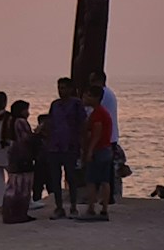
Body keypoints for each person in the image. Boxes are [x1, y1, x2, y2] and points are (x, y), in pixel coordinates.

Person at [43, 78, 86, 219]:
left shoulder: (76, 104)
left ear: (70, 89)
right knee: (55, 178)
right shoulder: (55, 105)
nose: (61, 91)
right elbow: (50, 123)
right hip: (54, 147)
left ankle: (73, 206)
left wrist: (82, 146)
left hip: (70, 146)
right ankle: (59, 206)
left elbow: (83, 125)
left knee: (72, 178)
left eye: (64, 88)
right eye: (59, 88)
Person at [80, 85, 114, 221]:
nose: (85, 98)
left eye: (88, 96)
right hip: (106, 149)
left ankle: (91, 208)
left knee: (92, 180)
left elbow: (97, 133)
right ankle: (104, 208)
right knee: (105, 180)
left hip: (99, 150)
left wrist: (89, 151)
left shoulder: (98, 114)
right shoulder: (101, 112)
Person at [0, 101, 36, 224]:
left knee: (12, 185)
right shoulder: (20, 122)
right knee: (23, 186)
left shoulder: (9, 121)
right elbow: (27, 139)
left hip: (13, 156)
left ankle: (9, 214)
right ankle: (19, 214)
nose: (28, 113)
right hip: (22, 157)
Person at [92, 71, 121, 202]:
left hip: (106, 137)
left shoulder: (103, 95)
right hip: (111, 135)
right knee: (107, 169)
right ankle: (106, 196)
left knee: (104, 170)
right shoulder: (109, 93)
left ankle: (106, 197)